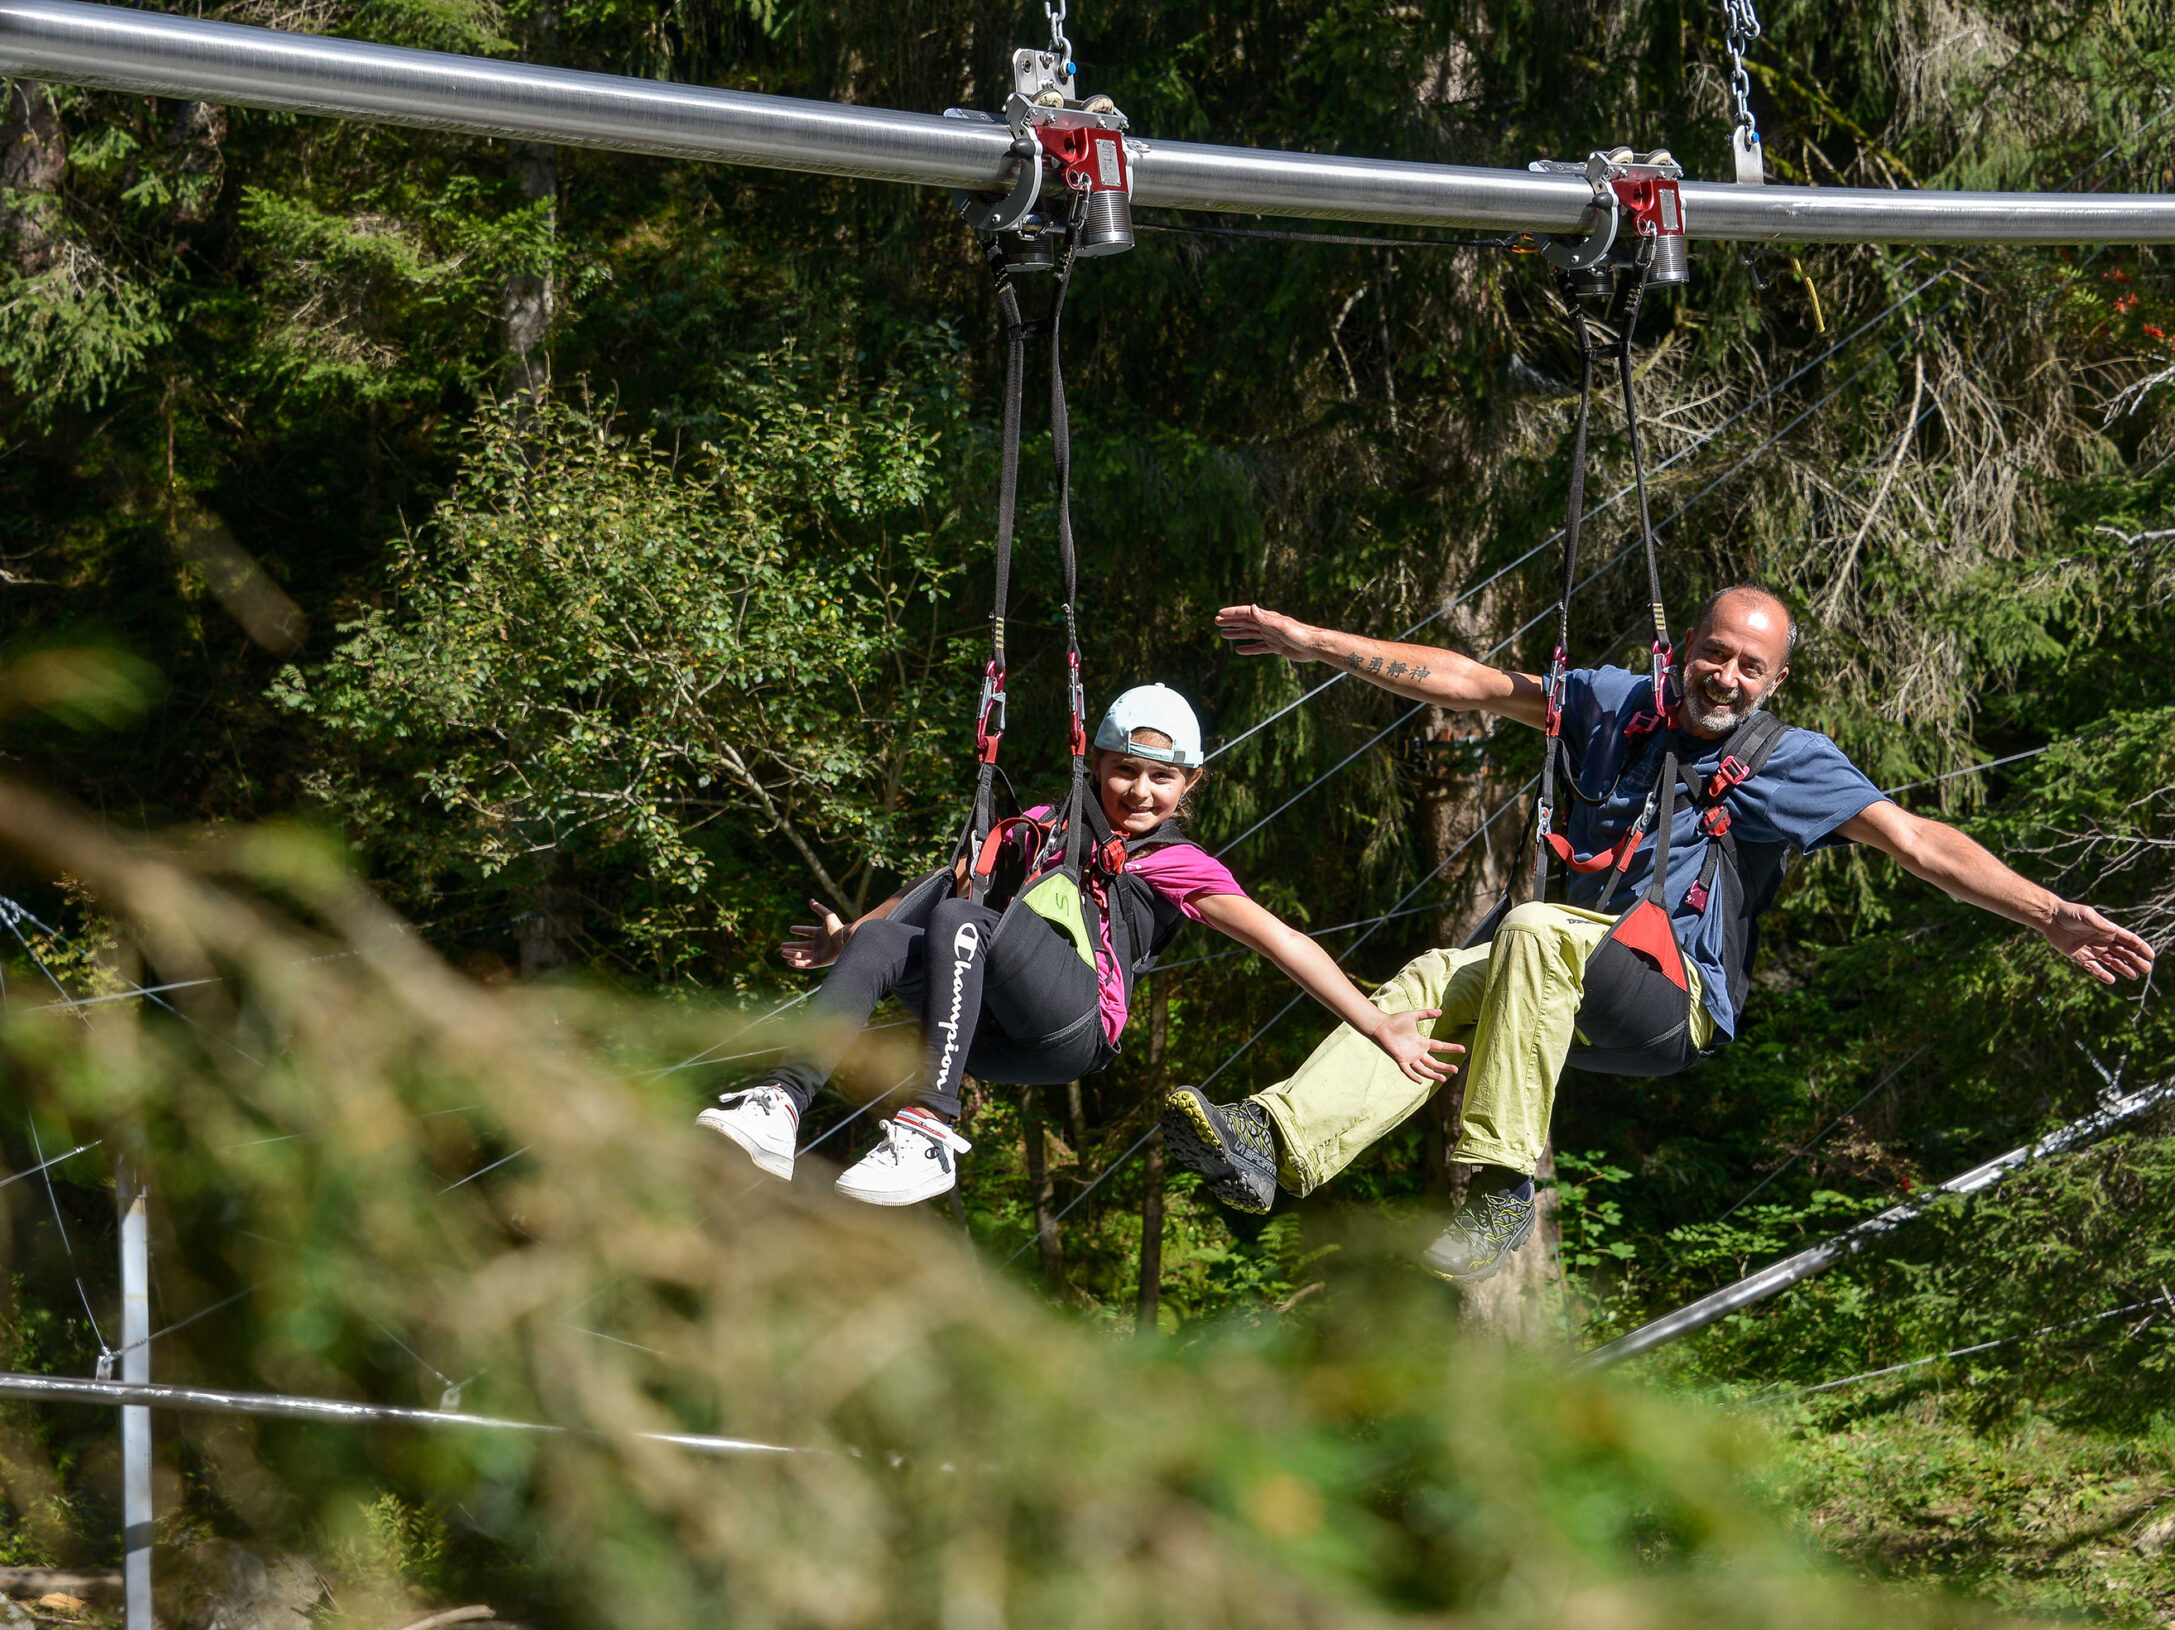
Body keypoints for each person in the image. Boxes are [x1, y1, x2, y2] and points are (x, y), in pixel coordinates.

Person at [1161, 586, 2157, 1281]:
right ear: (1685, 646)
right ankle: (1274, 1145)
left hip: (1670, 1004)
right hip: (1561, 974)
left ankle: (1502, 1183)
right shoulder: (1613, 705)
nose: (1726, 676)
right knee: (1435, 974)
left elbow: (1917, 842)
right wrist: (1316, 642)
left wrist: (2048, 915)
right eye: (1715, 653)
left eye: (1750, 666)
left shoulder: (1788, 760)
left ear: (1774, 682)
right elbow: (1468, 682)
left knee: (1530, 928)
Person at [698, 683, 1462, 1206]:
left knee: (962, 923)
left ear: (1189, 785)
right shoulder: (1040, 828)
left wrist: (1375, 1023)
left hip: (1070, 1030)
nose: (1139, 791)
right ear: (1094, 765)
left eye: (1161, 778)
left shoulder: (1176, 864)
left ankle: (929, 1129)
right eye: (1124, 771)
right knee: (884, 937)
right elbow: (934, 886)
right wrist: (850, 939)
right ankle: (780, 1101)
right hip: (980, 1023)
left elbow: (1281, 940)